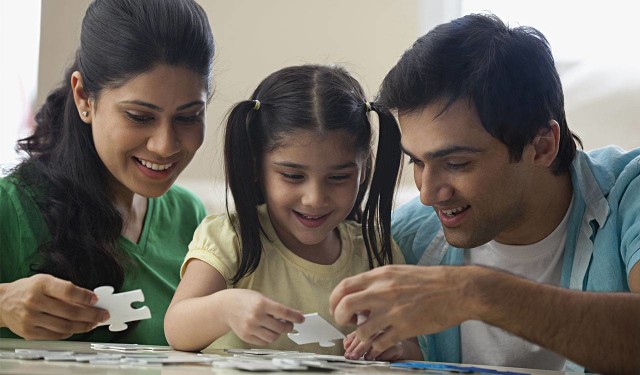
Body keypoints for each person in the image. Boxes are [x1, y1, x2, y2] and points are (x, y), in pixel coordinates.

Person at [329, 13, 640, 374]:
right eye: (416, 162)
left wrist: (476, 293)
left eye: (457, 163)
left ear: (541, 147)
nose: (428, 194)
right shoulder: (405, 239)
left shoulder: (628, 194)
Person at [164, 64, 420, 359]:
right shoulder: (230, 238)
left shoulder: (378, 252)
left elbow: (412, 347)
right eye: (293, 176)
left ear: (364, 169)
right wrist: (225, 308)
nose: (314, 199)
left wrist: (394, 347)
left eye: (338, 178)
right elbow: (175, 327)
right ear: (256, 166)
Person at [0, 0, 215, 346]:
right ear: (85, 97)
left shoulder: (189, 218)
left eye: (188, 117)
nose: (164, 145)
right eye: (139, 116)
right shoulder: (11, 209)